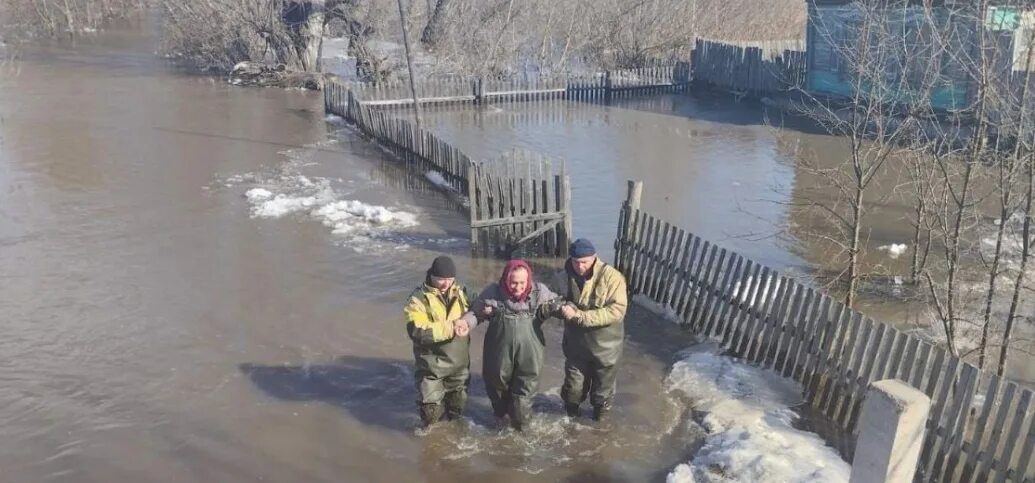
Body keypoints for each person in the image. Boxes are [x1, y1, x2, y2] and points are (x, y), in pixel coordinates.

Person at [455, 259, 562, 431]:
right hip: (498, 352)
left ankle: (521, 430)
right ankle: (500, 421)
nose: (518, 287)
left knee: (524, 396)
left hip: (530, 354)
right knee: (496, 387)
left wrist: (566, 309)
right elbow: (475, 313)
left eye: (522, 282)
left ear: (529, 280)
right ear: (506, 279)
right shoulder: (493, 292)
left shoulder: (539, 292)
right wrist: (466, 323)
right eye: (513, 282)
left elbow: (558, 304)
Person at [557, 238, 628, 422]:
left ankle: (600, 424)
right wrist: (561, 308)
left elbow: (617, 311)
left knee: (602, 393)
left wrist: (580, 316)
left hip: (606, 348)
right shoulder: (563, 276)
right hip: (576, 346)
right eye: (575, 262)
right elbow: (552, 299)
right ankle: (570, 419)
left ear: (594, 258)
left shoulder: (613, 278)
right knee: (573, 389)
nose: (580, 267)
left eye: (584, 262)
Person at [404, 256, 472, 427]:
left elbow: (481, 304)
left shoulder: (462, 291)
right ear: (432, 276)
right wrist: (452, 327)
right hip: (431, 367)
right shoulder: (418, 298)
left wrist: (473, 318)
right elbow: (417, 331)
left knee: (457, 410)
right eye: (441, 279)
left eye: (450, 279)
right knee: (430, 416)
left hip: (459, 365)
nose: (445, 283)